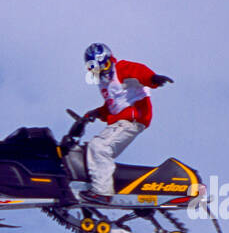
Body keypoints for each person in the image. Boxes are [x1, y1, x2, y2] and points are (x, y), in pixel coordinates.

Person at [68, 43, 173, 205]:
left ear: (110, 60)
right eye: (97, 70)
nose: (103, 72)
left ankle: (102, 192)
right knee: (90, 149)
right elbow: (114, 105)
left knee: (100, 147)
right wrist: (96, 113)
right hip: (122, 120)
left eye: (106, 66)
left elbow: (138, 71)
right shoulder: (104, 84)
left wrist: (153, 79)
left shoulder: (120, 69)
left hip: (133, 118)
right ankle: (93, 184)